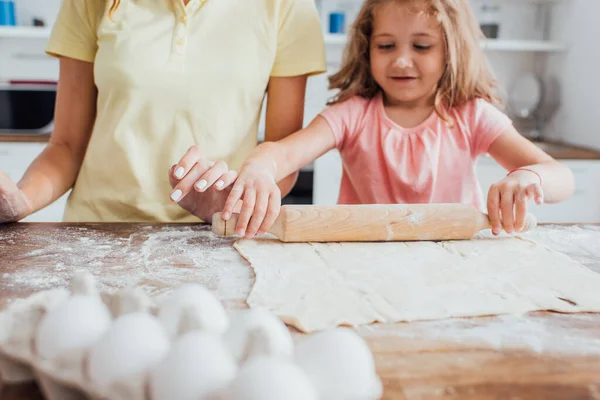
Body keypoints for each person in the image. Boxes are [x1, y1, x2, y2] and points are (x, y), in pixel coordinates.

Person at [170, 0, 574, 238]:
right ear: (367, 48)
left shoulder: (471, 117)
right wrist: (258, 169)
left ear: (451, 51)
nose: (401, 60)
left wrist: (530, 178)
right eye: (386, 45)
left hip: (457, 261)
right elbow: (282, 153)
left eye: (421, 45)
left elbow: (559, 175)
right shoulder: (353, 116)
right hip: (360, 264)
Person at [0, 0, 326, 223]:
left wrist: (234, 201)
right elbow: (66, 147)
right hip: (96, 235)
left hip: (214, 238)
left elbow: (280, 161)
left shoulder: (287, 6)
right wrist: (22, 201)